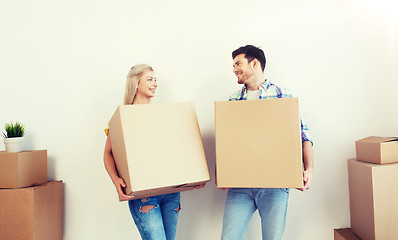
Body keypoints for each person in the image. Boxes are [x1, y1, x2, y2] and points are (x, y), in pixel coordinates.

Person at [220, 45, 314, 240]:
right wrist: (221, 173)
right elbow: (225, 142)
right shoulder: (232, 101)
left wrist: (309, 169)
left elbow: (304, 136)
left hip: (275, 185)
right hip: (240, 186)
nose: (234, 69)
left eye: (238, 63)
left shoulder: (283, 95)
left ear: (254, 63)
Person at [103, 64, 204, 240]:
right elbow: (107, 153)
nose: (155, 83)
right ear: (136, 82)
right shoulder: (123, 117)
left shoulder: (163, 115)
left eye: (155, 80)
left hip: (171, 192)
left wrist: (194, 176)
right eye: (150, 79)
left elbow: (177, 149)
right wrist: (116, 180)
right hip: (144, 197)